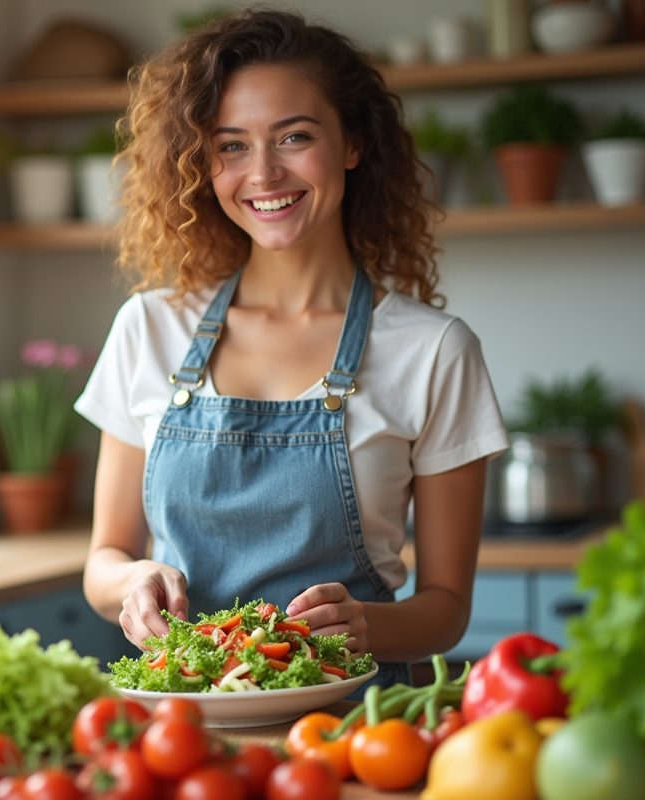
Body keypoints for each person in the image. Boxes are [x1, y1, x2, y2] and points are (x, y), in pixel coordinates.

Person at [74, 9, 509, 688]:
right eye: (231, 146)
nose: (264, 173)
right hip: (184, 722)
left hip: (357, 724)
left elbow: (447, 609)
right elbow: (104, 559)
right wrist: (132, 580)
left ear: (353, 144)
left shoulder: (434, 351)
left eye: (295, 137)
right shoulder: (148, 328)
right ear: (202, 162)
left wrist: (366, 623)